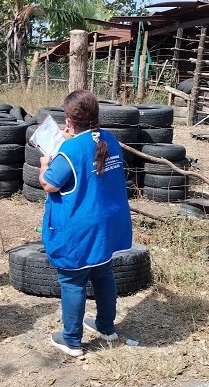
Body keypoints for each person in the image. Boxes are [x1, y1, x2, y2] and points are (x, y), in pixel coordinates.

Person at [38, 90, 133, 357]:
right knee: (103, 272)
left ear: (69, 120)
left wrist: (45, 163)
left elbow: (49, 184)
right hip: (108, 222)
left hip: (80, 227)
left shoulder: (70, 149)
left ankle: (71, 340)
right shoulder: (109, 139)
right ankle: (106, 327)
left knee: (72, 279)